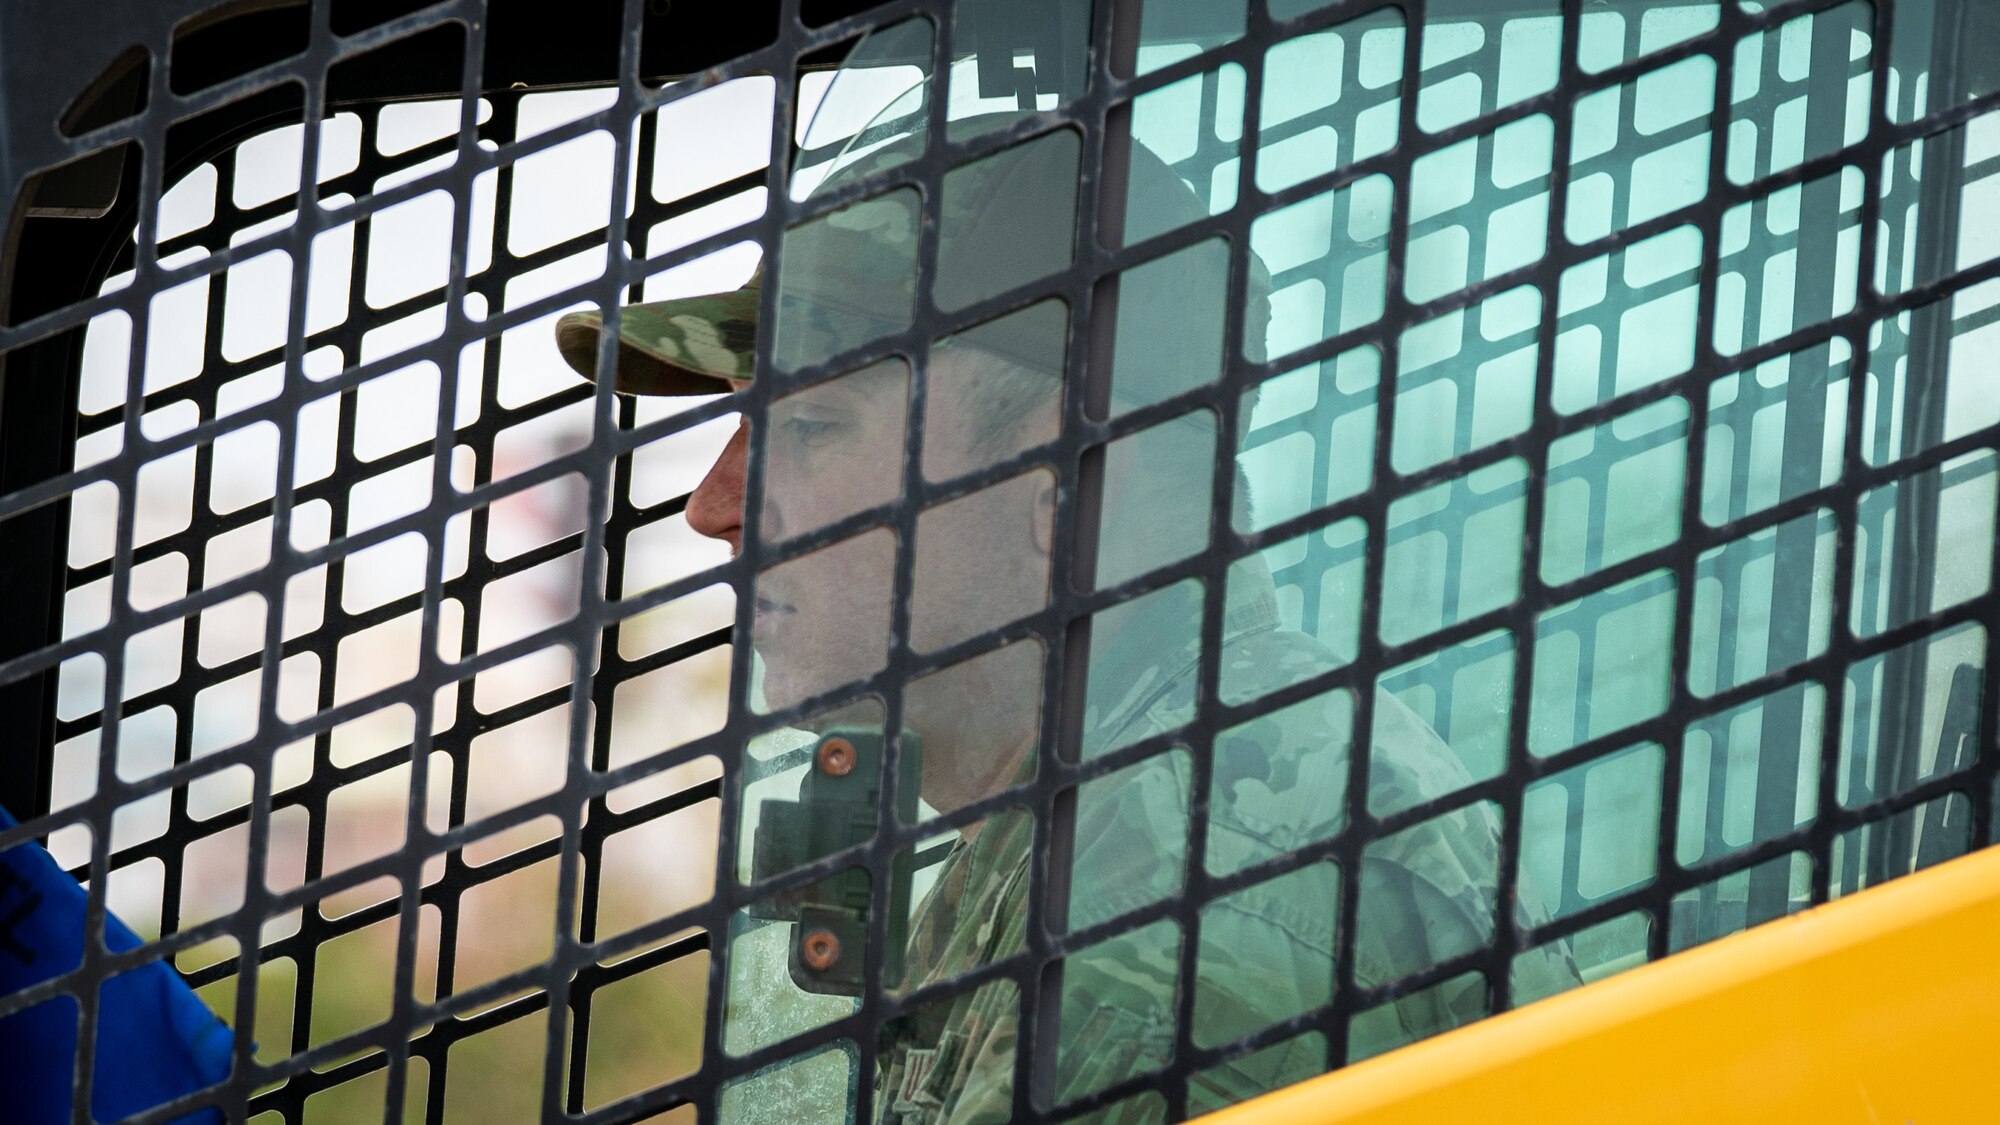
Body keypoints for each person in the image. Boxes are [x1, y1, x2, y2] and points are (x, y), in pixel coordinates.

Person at [555, 63, 1576, 1125]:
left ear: (1062, 487)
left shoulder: (1174, 899)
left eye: (809, 427)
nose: (714, 508)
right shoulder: (1089, 807)